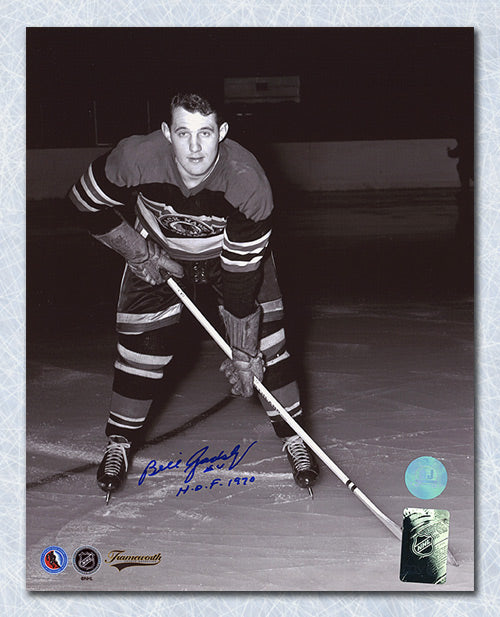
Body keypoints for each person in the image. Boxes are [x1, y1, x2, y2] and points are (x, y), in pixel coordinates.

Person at [69, 92, 319, 500]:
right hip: (159, 253)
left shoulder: (247, 182)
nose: (195, 147)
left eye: (205, 133)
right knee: (142, 350)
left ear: (222, 132)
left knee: (268, 346)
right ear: (167, 133)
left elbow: (241, 280)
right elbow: (84, 202)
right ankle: (119, 442)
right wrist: (139, 252)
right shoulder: (136, 158)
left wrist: (244, 349)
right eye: (184, 133)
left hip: (230, 261)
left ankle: (294, 437)